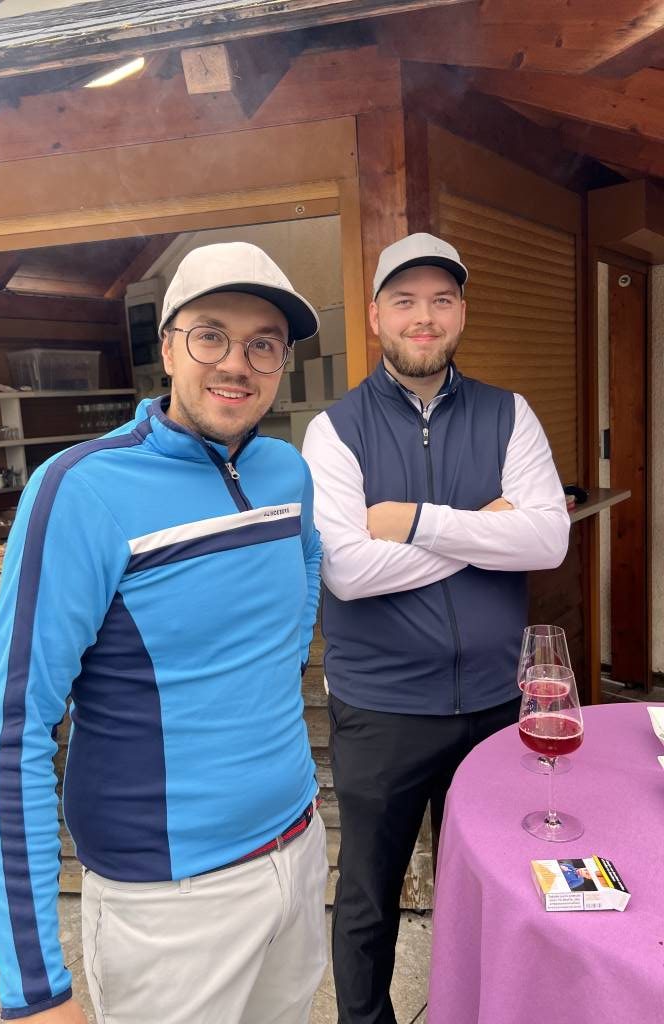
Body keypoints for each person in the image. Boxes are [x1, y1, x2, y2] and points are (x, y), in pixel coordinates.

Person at [0, 241, 329, 1023]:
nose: (236, 363)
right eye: (211, 335)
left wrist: (272, 671)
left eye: (263, 344)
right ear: (167, 348)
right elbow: (15, 733)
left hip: (300, 850)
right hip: (170, 901)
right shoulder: (79, 491)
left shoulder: (286, 471)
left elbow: (307, 564)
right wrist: (33, 987)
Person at [302, 232, 570, 1024]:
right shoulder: (335, 431)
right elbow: (348, 571)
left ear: (461, 313)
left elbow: (548, 541)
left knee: (493, 884)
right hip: (381, 707)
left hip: (493, 703)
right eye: (406, 301)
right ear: (376, 316)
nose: (424, 317)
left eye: (442, 300)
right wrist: (485, 526)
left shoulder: (508, 415)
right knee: (368, 896)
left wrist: (415, 521)